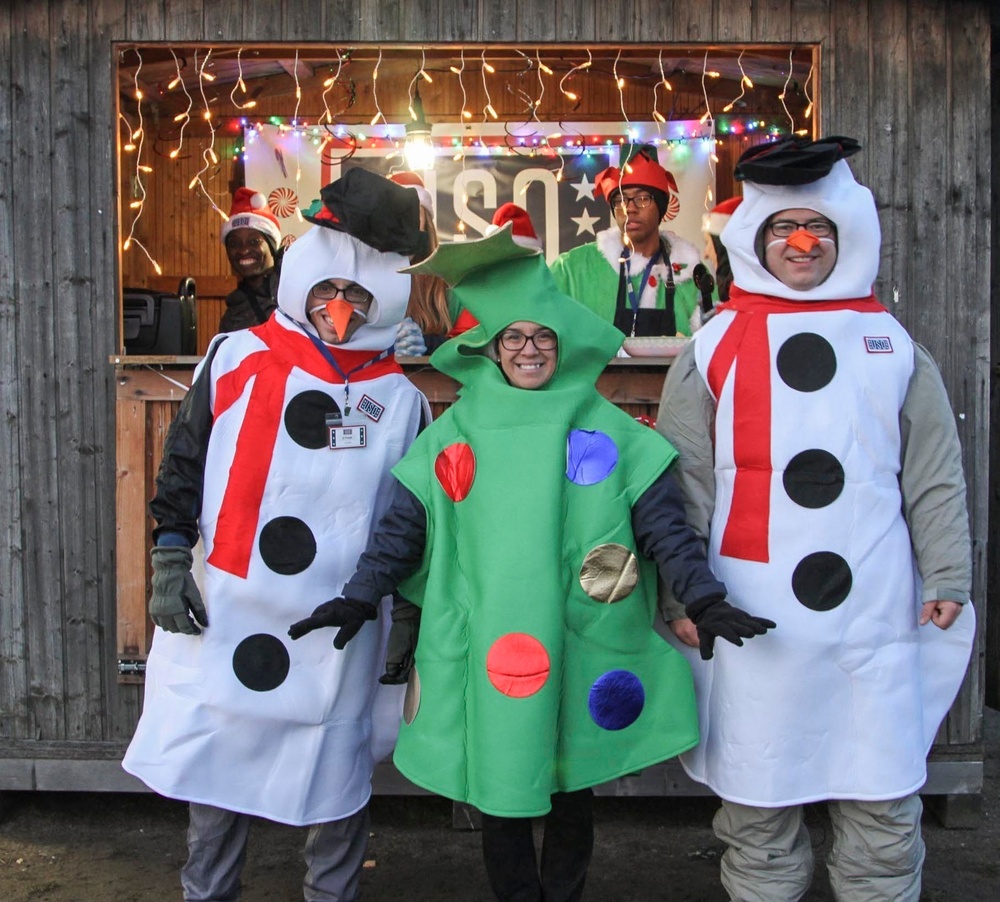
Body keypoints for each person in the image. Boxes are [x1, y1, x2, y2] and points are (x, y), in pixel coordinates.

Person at [288, 220, 773, 902]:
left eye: (543, 336)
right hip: (488, 638)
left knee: (571, 784)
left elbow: (664, 526)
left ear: (562, 344)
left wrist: (704, 597)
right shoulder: (455, 430)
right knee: (501, 781)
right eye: (514, 336)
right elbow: (405, 528)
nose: (530, 349)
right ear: (489, 348)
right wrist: (361, 594)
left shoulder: (608, 430)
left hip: (578, 637)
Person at [656, 135, 977, 902]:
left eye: (819, 229)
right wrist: (681, 593)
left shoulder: (893, 347)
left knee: (880, 794)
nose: (802, 244)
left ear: (847, 238)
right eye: (783, 230)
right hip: (748, 609)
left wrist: (948, 571)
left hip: (873, 607)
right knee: (759, 802)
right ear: (756, 242)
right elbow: (681, 485)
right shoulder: (712, 347)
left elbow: (933, 474)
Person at [122, 170, 431, 902]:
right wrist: (169, 556)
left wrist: (406, 613)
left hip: (341, 622)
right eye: (327, 292)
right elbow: (185, 459)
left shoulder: (400, 396)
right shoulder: (234, 356)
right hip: (228, 603)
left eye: (358, 298)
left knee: (333, 775)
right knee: (217, 765)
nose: (340, 313)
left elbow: (411, 516)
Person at [550, 144, 708, 339]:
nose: (629, 209)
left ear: (661, 207)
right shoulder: (573, 270)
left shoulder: (692, 274)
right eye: (621, 200)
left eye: (642, 198)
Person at [389, 171, 453, 355]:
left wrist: (427, 343)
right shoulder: (362, 277)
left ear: (426, 223)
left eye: (413, 214)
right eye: (395, 214)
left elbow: (467, 346)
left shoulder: (447, 283)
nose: (404, 224)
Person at [218, 187, 282, 332]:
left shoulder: (298, 296)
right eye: (234, 243)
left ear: (272, 247)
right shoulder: (232, 318)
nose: (244, 250)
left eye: (254, 242)